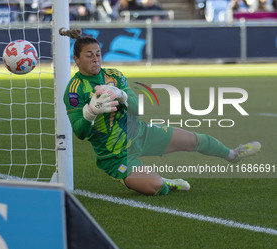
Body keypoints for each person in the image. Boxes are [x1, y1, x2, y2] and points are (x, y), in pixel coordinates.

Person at [60, 28, 261, 196]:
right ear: (76, 59)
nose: (96, 59)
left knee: (194, 140)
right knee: (155, 187)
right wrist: (90, 112)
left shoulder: (114, 75)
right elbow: (80, 133)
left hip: (141, 133)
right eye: (89, 55)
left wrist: (121, 95)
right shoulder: (74, 89)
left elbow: (137, 109)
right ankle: (166, 182)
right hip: (114, 155)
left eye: (98, 54)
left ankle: (233, 154)